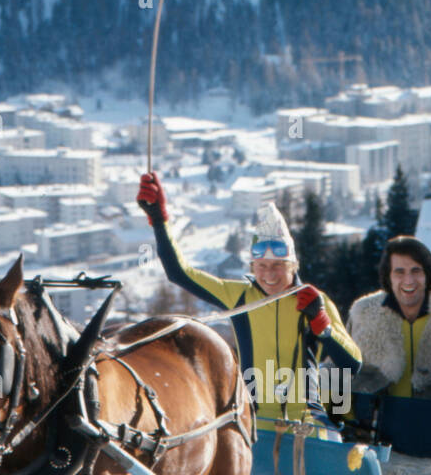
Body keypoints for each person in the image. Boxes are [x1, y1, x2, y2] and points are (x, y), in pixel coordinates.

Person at [136, 173, 360, 434]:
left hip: (307, 422)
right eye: (261, 266)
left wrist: (322, 324)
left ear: (293, 265)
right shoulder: (239, 297)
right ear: (252, 266)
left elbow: (351, 364)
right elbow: (180, 273)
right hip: (252, 423)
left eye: (278, 265)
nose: (269, 275)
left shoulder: (313, 300)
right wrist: (159, 220)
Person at [348, 237, 431, 400]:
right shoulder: (363, 314)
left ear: (428, 275)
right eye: (399, 272)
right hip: (373, 422)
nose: (409, 280)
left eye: (416, 271)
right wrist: (336, 418)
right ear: (388, 276)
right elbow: (336, 365)